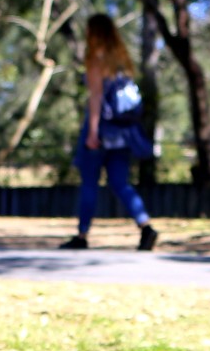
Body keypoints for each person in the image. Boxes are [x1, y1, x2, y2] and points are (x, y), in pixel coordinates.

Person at [62, 14, 155, 252]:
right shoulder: (122, 61)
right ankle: (146, 226)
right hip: (123, 133)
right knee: (120, 183)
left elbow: (96, 98)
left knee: (90, 184)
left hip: (101, 130)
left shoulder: (96, 58)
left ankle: (82, 236)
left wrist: (92, 132)